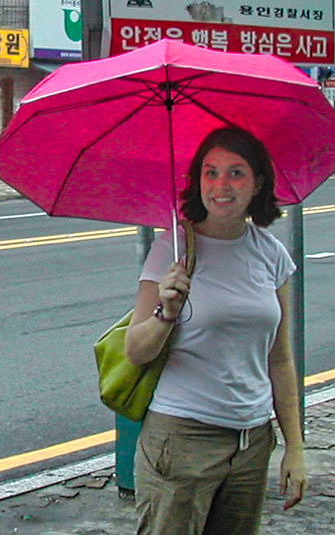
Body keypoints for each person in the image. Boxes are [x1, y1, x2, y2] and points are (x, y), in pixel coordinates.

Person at [125, 126, 306, 534]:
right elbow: (135, 350)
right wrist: (166, 311)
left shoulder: (271, 254)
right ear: (197, 181)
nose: (221, 185)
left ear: (258, 183)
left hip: (252, 441)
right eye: (210, 172)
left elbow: (280, 358)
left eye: (236, 172)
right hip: (183, 438)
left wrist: (295, 446)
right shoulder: (174, 248)